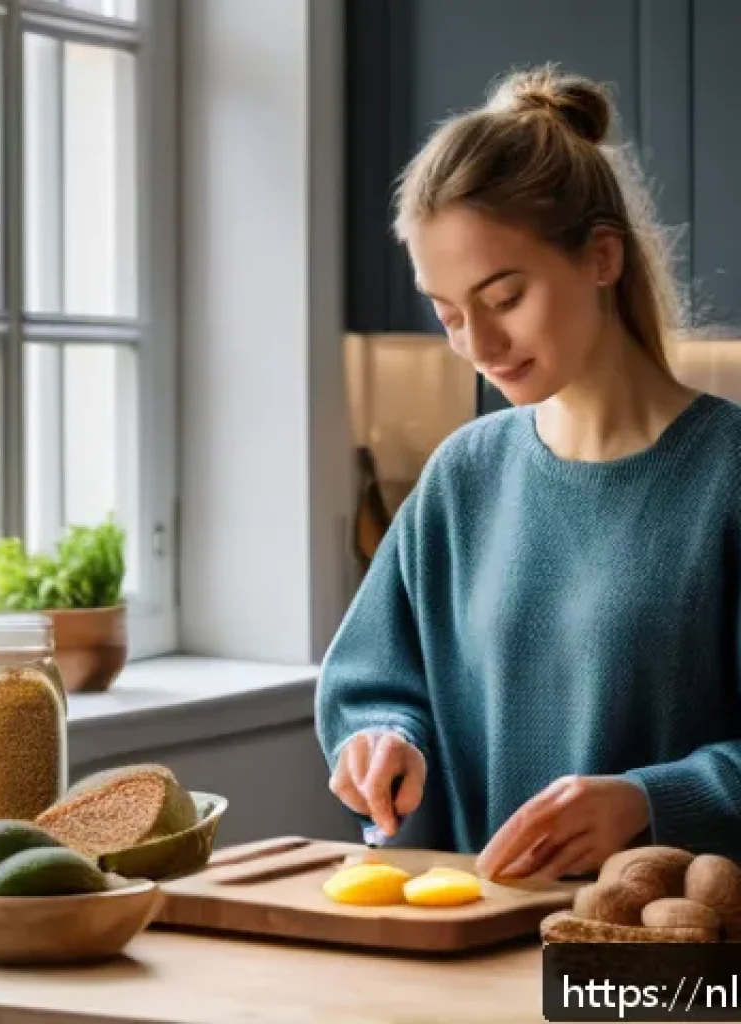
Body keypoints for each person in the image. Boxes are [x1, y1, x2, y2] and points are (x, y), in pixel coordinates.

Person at [314, 64, 741, 881]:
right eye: (447, 314)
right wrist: (382, 740)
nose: (477, 343)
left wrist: (650, 800)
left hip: (675, 975)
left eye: (504, 298)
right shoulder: (463, 476)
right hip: (483, 955)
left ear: (603, 258)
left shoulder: (728, 477)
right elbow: (374, 682)